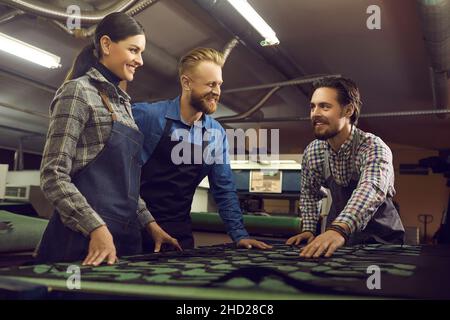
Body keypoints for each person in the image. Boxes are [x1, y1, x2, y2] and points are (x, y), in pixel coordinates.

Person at [37, 12, 180, 266]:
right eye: (134, 50)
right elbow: (53, 175)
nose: (140, 60)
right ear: (106, 44)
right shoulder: (78, 92)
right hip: (81, 242)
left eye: (141, 52)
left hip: (124, 240)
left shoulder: (124, 104)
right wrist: (95, 228)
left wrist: (150, 224)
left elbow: (125, 186)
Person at [132, 47, 272, 251]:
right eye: (210, 84)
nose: (217, 91)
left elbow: (223, 188)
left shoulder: (216, 133)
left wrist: (239, 235)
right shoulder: (147, 116)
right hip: (133, 232)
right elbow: (117, 176)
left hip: (179, 237)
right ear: (186, 82)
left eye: (219, 84)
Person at [286, 77, 405, 258]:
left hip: (381, 239)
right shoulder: (313, 151)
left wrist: (340, 228)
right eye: (313, 106)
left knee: (377, 284)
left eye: (325, 106)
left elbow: (371, 187)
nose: (315, 113)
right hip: (338, 238)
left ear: (348, 110)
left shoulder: (373, 146)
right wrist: (310, 229)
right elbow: (310, 192)